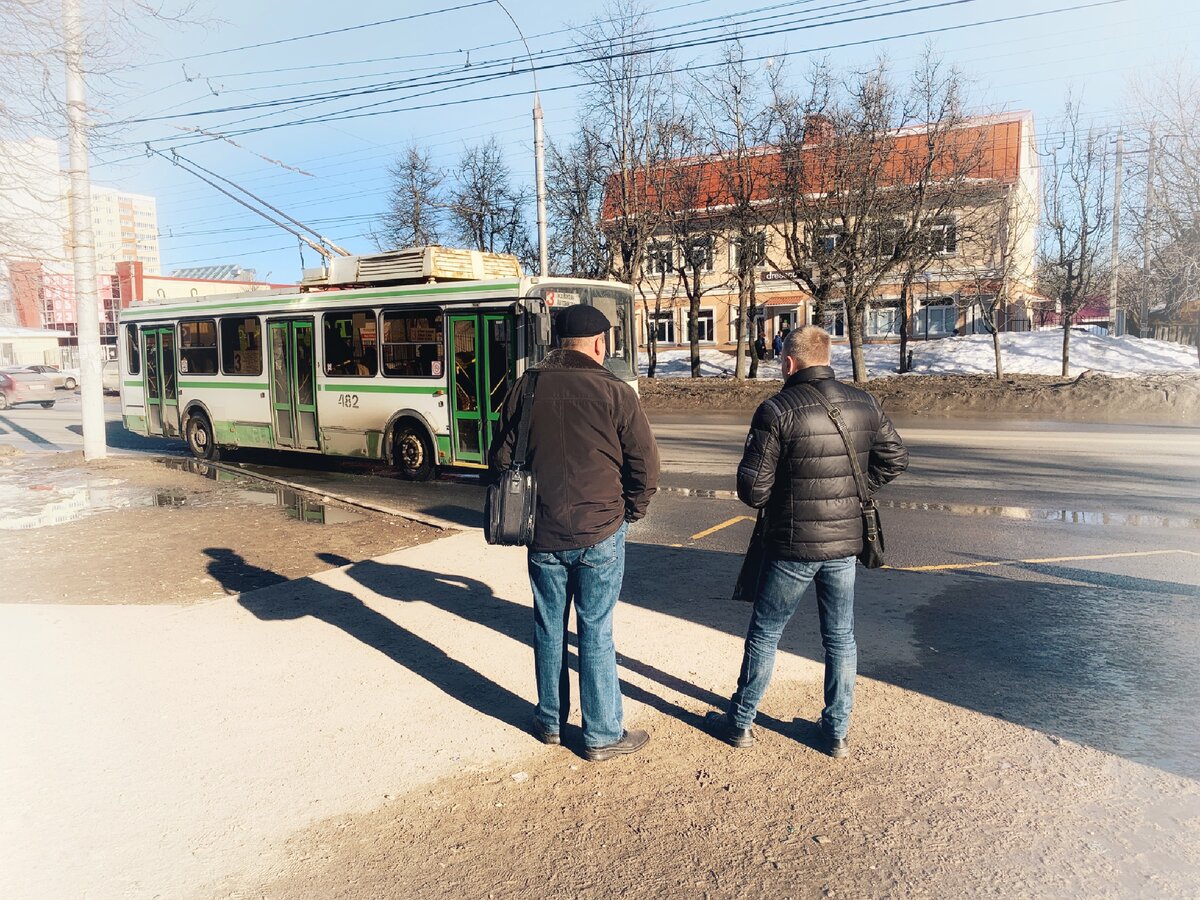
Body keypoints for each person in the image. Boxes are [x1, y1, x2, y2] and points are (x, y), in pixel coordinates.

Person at [706, 325, 908, 759]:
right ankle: (835, 732)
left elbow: (753, 491)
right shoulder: (865, 401)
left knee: (765, 633)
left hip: (791, 545)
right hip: (844, 544)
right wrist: (856, 493)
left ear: (790, 361)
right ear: (827, 357)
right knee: (840, 638)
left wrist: (790, 497)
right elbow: (896, 458)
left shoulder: (776, 410)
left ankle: (740, 721)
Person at [489, 304, 660, 762]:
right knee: (596, 629)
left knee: (547, 626)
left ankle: (550, 721)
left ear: (559, 343)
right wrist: (632, 511)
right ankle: (603, 734)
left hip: (542, 532)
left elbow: (500, 457)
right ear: (600, 344)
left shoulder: (527, 386)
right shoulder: (616, 392)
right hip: (601, 530)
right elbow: (646, 464)